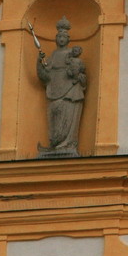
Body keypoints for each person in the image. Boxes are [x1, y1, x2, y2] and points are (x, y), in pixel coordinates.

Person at [36, 17, 86, 156]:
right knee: (54, 116)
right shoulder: (53, 55)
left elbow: (78, 71)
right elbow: (45, 75)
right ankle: (54, 145)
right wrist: (39, 62)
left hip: (69, 90)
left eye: (64, 37)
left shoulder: (71, 56)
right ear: (56, 39)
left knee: (67, 116)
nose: (61, 39)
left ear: (68, 39)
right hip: (54, 89)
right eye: (59, 37)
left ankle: (66, 144)